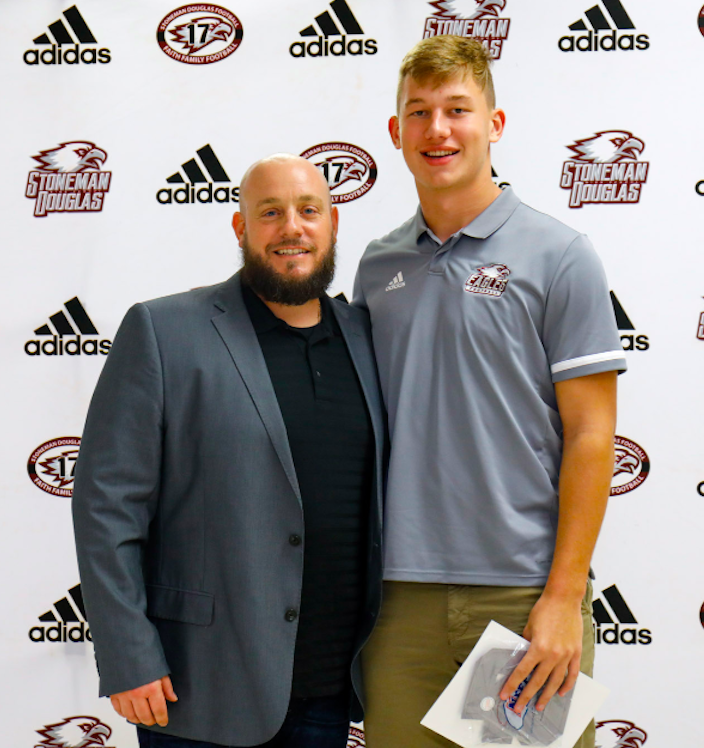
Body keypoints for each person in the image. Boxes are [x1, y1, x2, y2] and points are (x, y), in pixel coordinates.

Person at [353, 36, 627, 748]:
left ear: (494, 125)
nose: (437, 129)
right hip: (396, 605)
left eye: (457, 109)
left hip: (521, 598)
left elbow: (594, 436)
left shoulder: (559, 255)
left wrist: (564, 598)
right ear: (396, 133)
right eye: (418, 112)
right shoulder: (377, 268)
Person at [72, 154, 385, 748]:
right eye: (270, 212)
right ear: (241, 228)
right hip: (197, 688)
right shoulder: (164, 332)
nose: (292, 227)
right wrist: (128, 654)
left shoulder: (369, 338)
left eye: (308, 210)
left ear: (334, 224)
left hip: (330, 693)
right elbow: (105, 506)